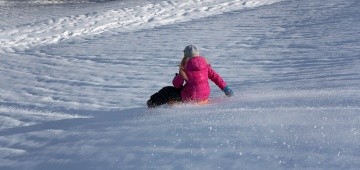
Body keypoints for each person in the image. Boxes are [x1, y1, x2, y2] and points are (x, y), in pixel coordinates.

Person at [147, 45, 233, 108]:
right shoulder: (206, 66)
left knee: (167, 91)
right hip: (204, 97)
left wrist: (179, 75)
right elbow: (216, 77)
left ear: (186, 55)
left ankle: (151, 104)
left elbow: (177, 85)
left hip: (190, 98)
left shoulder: (186, 66)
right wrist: (225, 89)